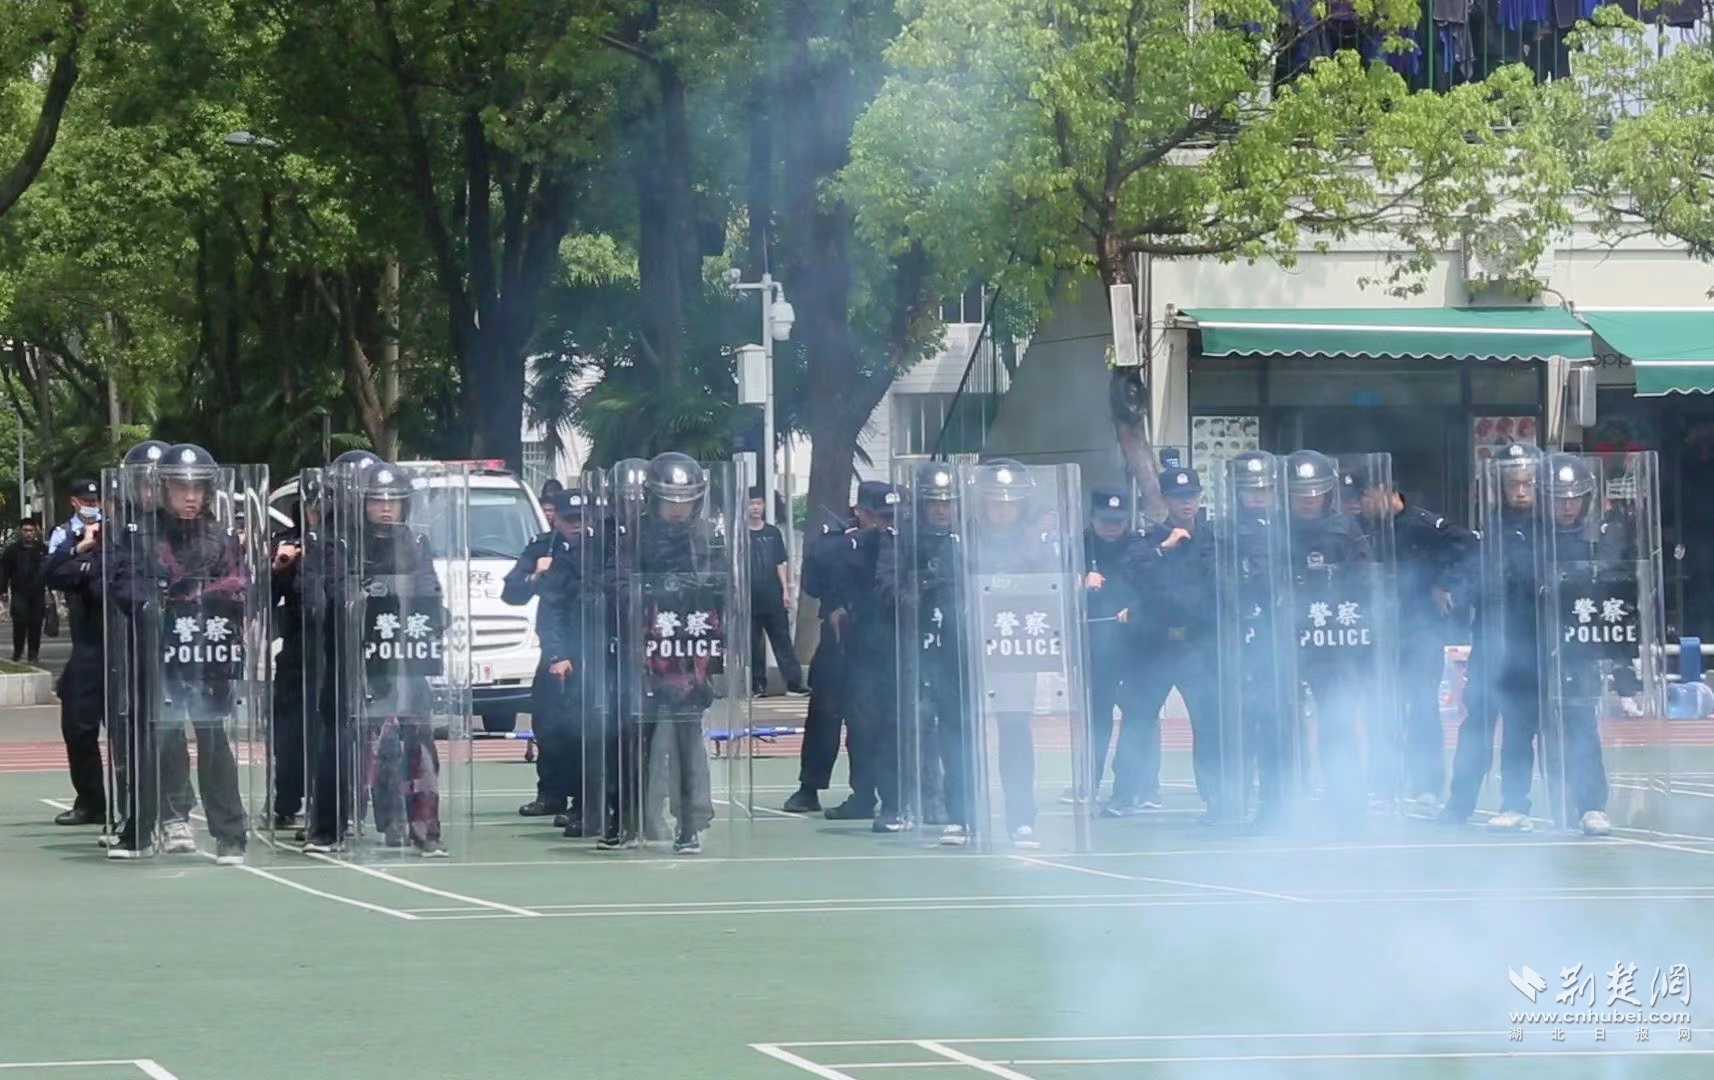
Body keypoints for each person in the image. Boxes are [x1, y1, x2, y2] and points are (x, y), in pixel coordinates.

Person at [108, 444, 249, 864]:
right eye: (182, 488)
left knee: (214, 741)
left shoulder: (221, 537)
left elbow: (238, 584)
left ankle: (231, 833)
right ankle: (147, 828)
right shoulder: (139, 534)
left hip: (209, 654)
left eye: (199, 489)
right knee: (160, 739)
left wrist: (193, 596)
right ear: (163, 487)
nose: (191, 497)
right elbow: (123, 583)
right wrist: (155, 602)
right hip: (157, 654)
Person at [601, 452, 723, 854]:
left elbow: (726, 590)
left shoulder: (706, 536)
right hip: (644, 653)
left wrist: (698, 589)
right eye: (670, 501)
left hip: (689, 656)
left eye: (684, 500)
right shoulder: (633, 535)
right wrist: (649, 591)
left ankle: (689, 822)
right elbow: (614, 585)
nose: (677, 509)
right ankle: (628, 820)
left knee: (688, 742)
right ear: (653, 499)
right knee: (633, 740)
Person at [1345, 461, 1478, 812]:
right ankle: (1382, 784)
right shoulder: (1360, 529)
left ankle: (1427, 785)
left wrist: (1444, 583)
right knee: (1379, 707)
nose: (1358, 504)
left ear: (1382, 491)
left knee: (1421, 707)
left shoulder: (1424, 524)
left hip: (1420, 629)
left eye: (1362, 496)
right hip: (1377, 631)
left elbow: (1468, 544)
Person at [1123, 467, 1220, 819]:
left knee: (1209, 725)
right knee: (1138, 720)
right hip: (1156, 647)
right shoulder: (1149, 540)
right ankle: (1126, 793)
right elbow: (1135, 575)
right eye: (1179, 498)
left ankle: (1217, 799)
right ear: (1165, 500)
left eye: (1191, 496)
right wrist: (1164, 549)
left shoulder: (1215, 538)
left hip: (1199, 645)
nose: (1187, 503)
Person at [782, 506, 858, 814]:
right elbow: (813, 581)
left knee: (871, 723)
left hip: (880, 642)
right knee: (824, 716)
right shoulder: (836, 544)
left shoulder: (895, 542)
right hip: (837, 641)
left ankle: (870, 792)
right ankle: (809, 786)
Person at [504, 477, 571, 821]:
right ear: (554, 518)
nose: (576, 525)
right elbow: (512, 592)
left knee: (589, 727)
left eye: (582, 518)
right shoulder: (543, 548)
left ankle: (589, 798)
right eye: (568, 519)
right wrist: (535, 577)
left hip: (595, 646)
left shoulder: (606, 547)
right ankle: (552, 793)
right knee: (548, 725)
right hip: (556, 646)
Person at [1075, 487, 1144, 809]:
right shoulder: (1078, 546)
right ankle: (1088, 782)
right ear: (1093, 519)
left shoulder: (1139, 545)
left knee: (1136, 718)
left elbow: (1151, 585)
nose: (1112, 527)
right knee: (1096, 719)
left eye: (1118, 521)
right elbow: (1052, 584)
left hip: (1133, 646)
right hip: (1094, 647)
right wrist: (1079, 584)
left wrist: (1135, 607)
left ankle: (1128, 788)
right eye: (1105, 521)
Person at [43, 515, 105, 826]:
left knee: (135, 735)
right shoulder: (88, 555)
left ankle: (140, 802)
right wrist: (81, 545)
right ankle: (91, 800)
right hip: (89, 650)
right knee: (78, 728)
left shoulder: (140, 552)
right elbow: (50, 574)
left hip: (131, 653)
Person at [746, 488, 806, 696]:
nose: (754, 508)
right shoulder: (739, 533)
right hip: (749, 596)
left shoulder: (772, 533)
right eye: (751, 503)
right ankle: (758, 685)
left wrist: (785, 590)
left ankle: (794, 683)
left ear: (763, 506)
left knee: (782, 640)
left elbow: (780, 563)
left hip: (773, 594)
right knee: (753, 644)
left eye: (758, 503)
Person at [1, 518, 48, 663]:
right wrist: (2, 590)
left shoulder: (42, 550)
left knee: (36, 623)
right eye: (25, 531)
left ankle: (33, 654)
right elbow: (3, 571)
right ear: (21, 531)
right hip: (19, 592)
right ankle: (18, 652)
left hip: (38, 593)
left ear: (36, 531)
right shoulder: (12, 550)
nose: (28, 534)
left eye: (31, 531)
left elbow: (50, 570)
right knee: (19, 622)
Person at [47, 479, 102, 556]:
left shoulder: (107, 525)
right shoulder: (62, 533)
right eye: (86, 500)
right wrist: (78, 548)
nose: (91, 504)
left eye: (94, 500)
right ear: (73, 501)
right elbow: (51, 564)